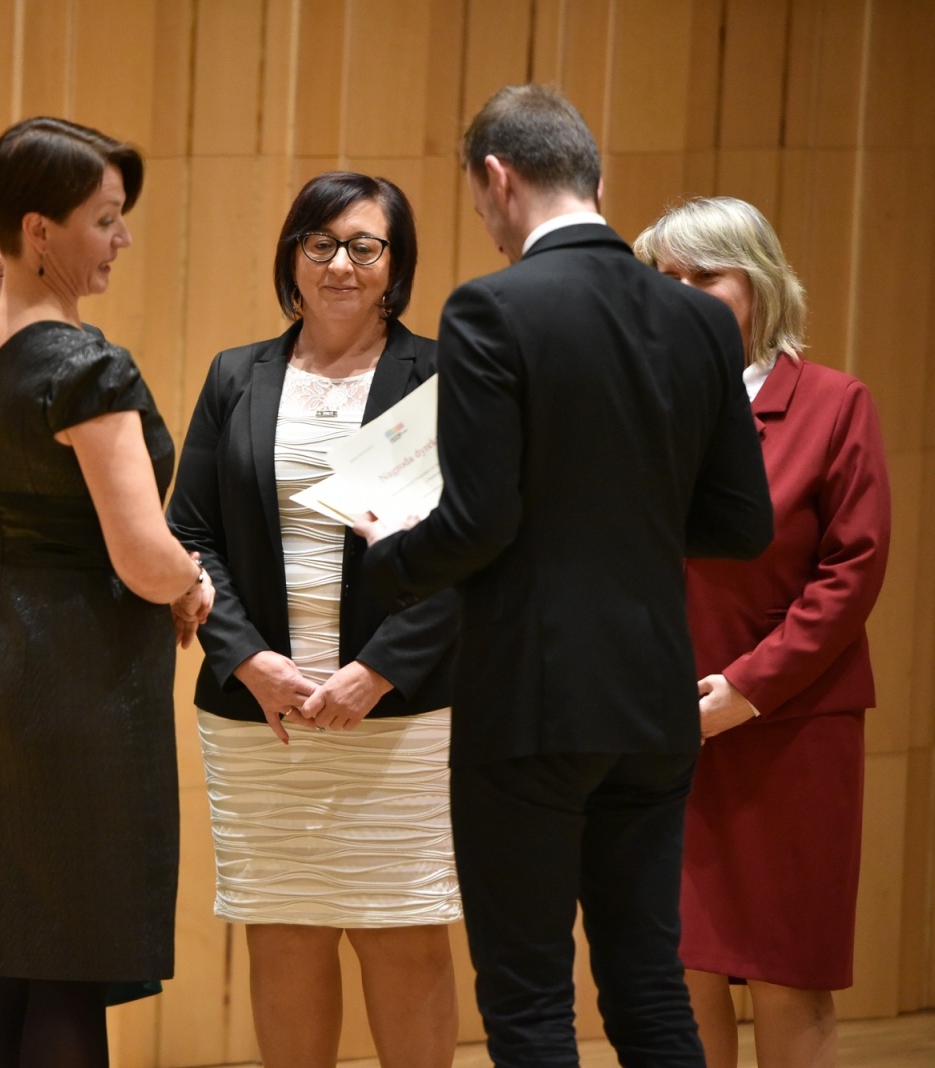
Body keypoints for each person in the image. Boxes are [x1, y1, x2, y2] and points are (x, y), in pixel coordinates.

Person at [357, 86, 774, 1067]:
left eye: (477, 203)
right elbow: (740, 524)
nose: (487, 226)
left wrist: (390, 564)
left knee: (529, 995)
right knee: (645, 979)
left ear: (498, 179)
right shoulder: (699, 323)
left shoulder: (492, 306)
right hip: (654, 701)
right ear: (594, 175)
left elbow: (478, 520)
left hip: (533, 702)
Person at [168, 171, 461, 1068]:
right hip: (268, 715)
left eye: (364, 246)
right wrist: (249, 660)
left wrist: (377, 670)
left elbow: (478, 543)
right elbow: (190, 532)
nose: (341, 264)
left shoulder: (444, 375)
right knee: (284, 934)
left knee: (402, 932)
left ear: (395, 266)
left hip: (402, 711)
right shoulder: (236, 376)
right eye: (320, 243)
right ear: (292, 257)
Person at [0, 116, 213, 1067]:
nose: (121, 239)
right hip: (82, 677)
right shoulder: (88, 367)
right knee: (65, 965)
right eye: (105, 219)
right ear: (40, 231)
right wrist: (192, 583)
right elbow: (143, 554)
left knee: (5, 957)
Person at [634, 197, 892, 1068]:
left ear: (760, 285)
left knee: (787, 971)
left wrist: (744, 690)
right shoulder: (636, 409)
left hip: (791, 730)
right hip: (661, 726)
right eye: (663, 279)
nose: (679, 294)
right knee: (683, 969)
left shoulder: (832, 404)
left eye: (704, 277)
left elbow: (850, 573)